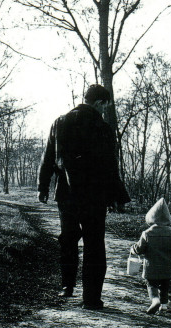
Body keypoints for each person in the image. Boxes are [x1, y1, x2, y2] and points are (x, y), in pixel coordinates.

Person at [38, 84, 130, 310]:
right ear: (100, 103)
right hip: (94, 195)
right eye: (105, 106)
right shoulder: (102, 127)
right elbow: (110, 165)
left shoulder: (59, 122)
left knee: (68, 239)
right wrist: (117, 196)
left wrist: (42, 186)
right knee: (94, 245)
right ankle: (91, 299)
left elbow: (48, 156)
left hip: (65, 193)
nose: (105, 110)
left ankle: (67, 287)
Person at [130, 198, 171, 314]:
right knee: (165, 286)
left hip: (151, 266)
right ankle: (164, 306)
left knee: (152, 284)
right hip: (167, 267)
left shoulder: (147, 233)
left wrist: (133, 249)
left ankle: (155, 300)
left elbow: (140, 249)